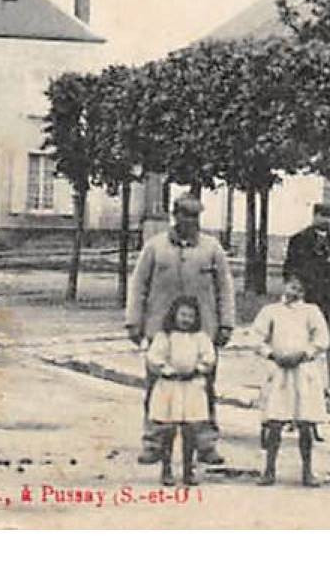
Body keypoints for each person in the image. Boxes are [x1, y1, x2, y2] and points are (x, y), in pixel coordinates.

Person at [126, 195, 236, 466]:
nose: (190, 222)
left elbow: (225, 287)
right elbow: (139, 285)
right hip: (161, 332)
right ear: (175, 215)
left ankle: (206, 444)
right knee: (156, 389)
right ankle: (153, 443)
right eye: (185, 215)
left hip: (202, 333)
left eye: (195, 216)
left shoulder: (212, 249)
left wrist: (225, 324)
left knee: (205, 388)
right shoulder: (155, 248)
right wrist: (134, 322)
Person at [252, 273, 330, 486]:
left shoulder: (311, 312)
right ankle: (269, 469)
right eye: (291, 287)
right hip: (279, 371)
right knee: (275, 421)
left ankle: (307, 471)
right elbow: (256, 338)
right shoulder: (271, 312)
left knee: (305, 422)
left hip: (303, 371)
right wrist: (271, 354)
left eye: (299, 289)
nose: (294, 292)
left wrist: (305, 353)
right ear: (284, 285)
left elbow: (322, 339)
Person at [144, 296, 217, 487]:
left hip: (192, 386)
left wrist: (199, 369)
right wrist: (167, 370)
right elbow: (154, 357)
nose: (186, 320)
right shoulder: (164, 336)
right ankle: (166, 468)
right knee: (168, 429)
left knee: (190, 430)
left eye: (191, 316)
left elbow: (209, 357)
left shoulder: (200, 338)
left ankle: (188, 469)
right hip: (170, 386)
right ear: (174, 315)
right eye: (183, 315)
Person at [284, 203, 330, 388]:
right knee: (309, 337)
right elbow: (291, 268)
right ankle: (307, 375)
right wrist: (295, 290)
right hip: (310, 296)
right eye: (324, 216)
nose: (327, 220)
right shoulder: (299, 240)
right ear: (315, 216)